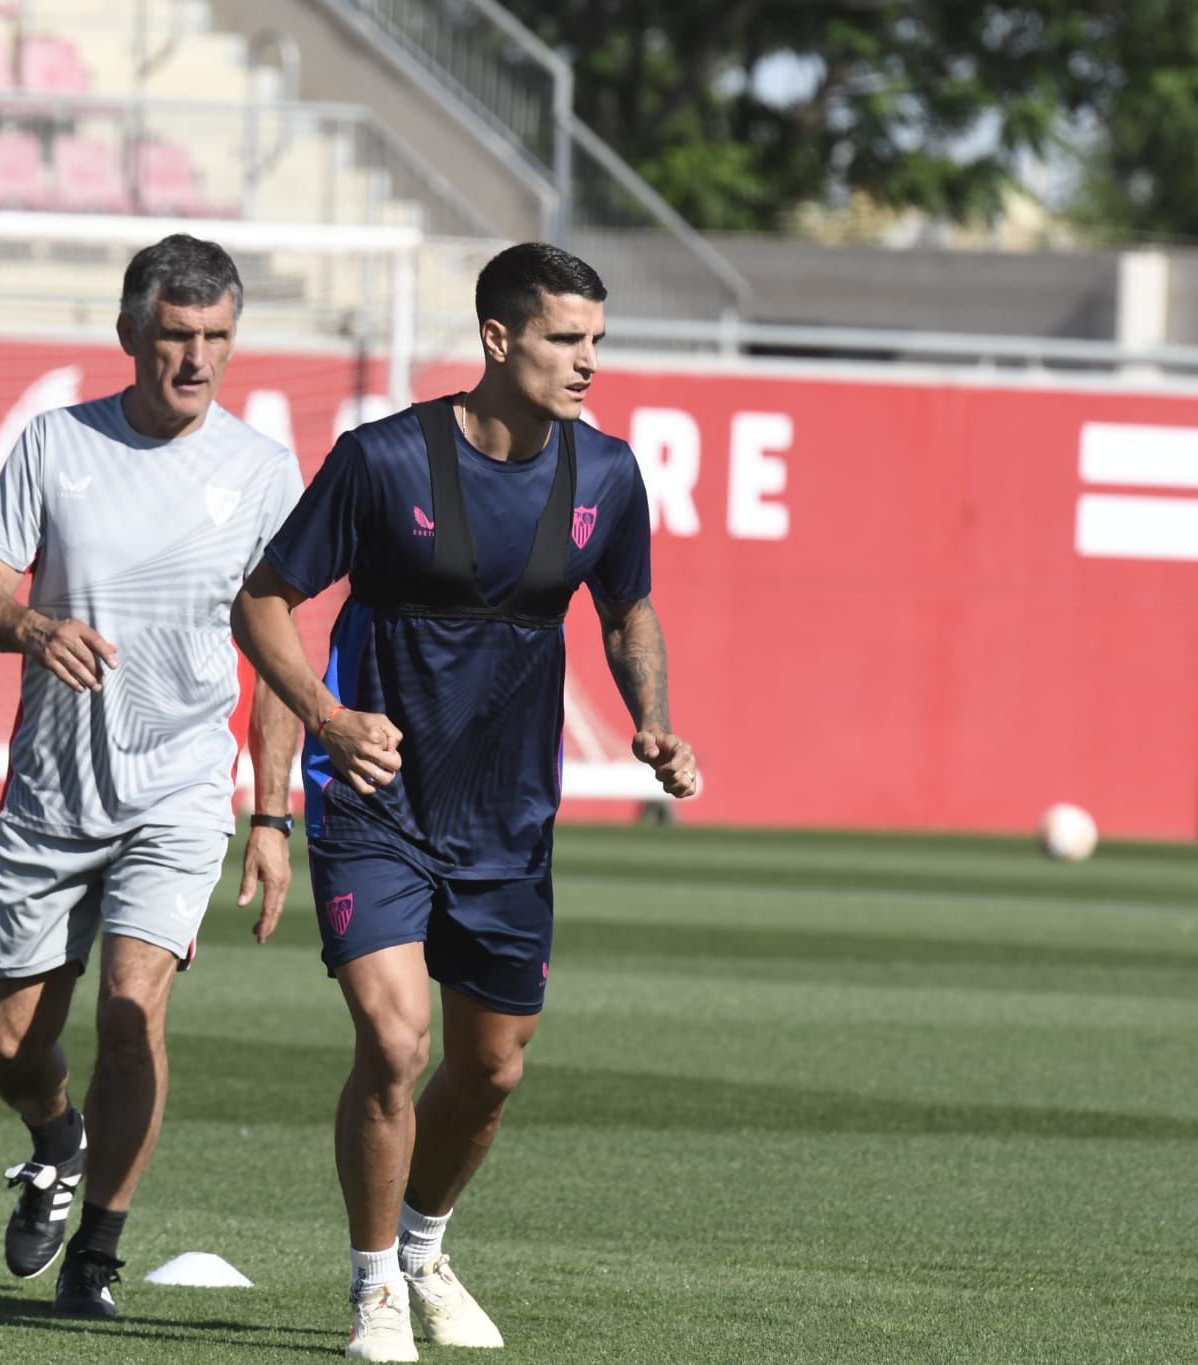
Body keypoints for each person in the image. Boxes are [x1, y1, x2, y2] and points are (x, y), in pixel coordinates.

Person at [232, 243, 698, 1361]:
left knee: (489, 1070)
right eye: (565, 340)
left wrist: (650, 720)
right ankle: (372, 1291)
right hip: (375, 805)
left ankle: (425, 1247)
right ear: (499, 340)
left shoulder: (609, 475)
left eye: (596, 339)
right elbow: (262, 604)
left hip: (507, 820)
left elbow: (627, 612)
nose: (590, 361)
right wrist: (327, 726)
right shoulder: (380, 460)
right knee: (394, 1045)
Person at [0, 233, 305, 1318]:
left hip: (180, 789)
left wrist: (273, 813)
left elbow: (281, 656)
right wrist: (31, 624)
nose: (196, 360)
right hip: (54, 792)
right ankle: (56, 1139)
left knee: (130, 1010)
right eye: (175, 337)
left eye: (217, 339)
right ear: (128, 335)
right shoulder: (54, 444)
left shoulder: (259, 470)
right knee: (13, 1045)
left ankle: (97, 1254)